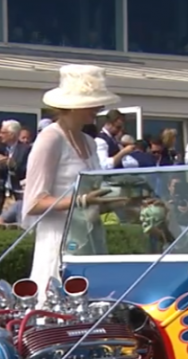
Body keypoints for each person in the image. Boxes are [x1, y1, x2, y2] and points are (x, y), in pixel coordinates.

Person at [22, 64, 117, 304]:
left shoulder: (89, 141)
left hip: (90, 238)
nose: (99, 108)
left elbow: (94, 191)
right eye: (92, 103)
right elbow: (34, 202)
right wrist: (82, 201)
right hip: (58, 241)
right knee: (57, 309)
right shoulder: (50, 139)